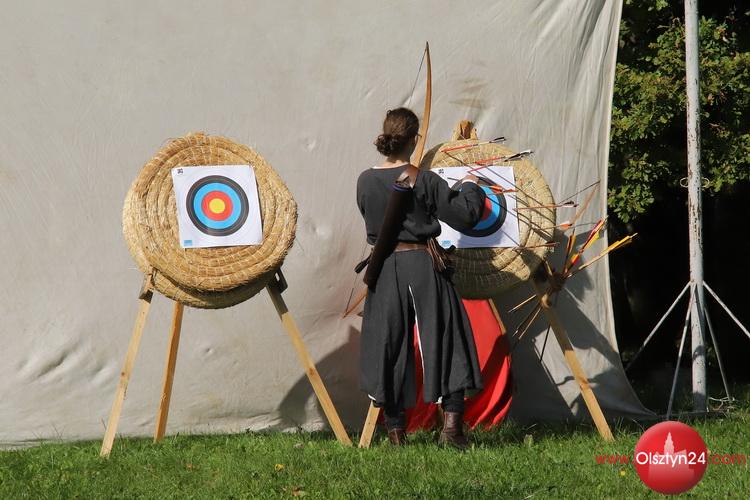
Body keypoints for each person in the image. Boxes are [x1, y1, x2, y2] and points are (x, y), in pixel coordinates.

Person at [356, 107, 486, 449]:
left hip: (385, 268)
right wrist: (471, 187)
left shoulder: (364, 181)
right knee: (447, 337)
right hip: (423, 266)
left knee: (389, 343)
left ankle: (396, 432)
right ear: (414, 139)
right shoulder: (424, 180)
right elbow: (465, 216)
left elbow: (372, 224)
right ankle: (452, 431)